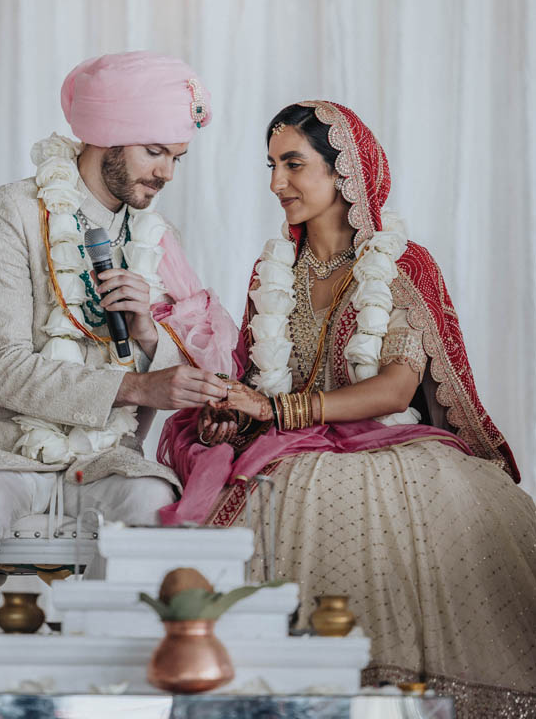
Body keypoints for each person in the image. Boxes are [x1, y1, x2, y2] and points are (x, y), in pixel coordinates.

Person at [158, 100, 536, 719]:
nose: (276, 183)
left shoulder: (403, 264)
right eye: (271, 165)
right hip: (288, 455)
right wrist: (232, 411)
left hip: (394, 460)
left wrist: (278, 411)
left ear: (346, 174)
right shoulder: (274, 269)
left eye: (293, 164)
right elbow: (258, 377)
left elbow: (393, 389)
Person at [0, 51, 239, 690]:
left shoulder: (155, 236)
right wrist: (135, 385)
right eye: (153, 152)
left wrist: (143, 333)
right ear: (105, 134)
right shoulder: (9, 213)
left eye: (175, 159)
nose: (165, 172)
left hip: (106, 451)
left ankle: (98, 684)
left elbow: (173, 356)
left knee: (153, 498)